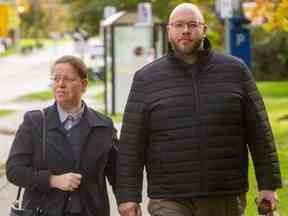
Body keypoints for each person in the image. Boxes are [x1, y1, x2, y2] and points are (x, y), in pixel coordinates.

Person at [116, 3, 282, 216]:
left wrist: (268, 185)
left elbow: (260, 132)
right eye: (179, 25)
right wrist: (128, 196)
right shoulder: (146, 78)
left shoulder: (235, 70)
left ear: (204, 30)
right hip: (169, 196)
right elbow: (132, 143)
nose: (185, 30)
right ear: (169, 31)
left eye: (192, 24)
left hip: (224, 193)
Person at [6, 55, 118, 216]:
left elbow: (118, 174)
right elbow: (14, 171)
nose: (60, 85)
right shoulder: (34, 122)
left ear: (84, 84)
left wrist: (127, 202)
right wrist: (52, 180)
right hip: (43, 211)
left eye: (68, 79)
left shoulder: (103, 125)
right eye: (56, 79)